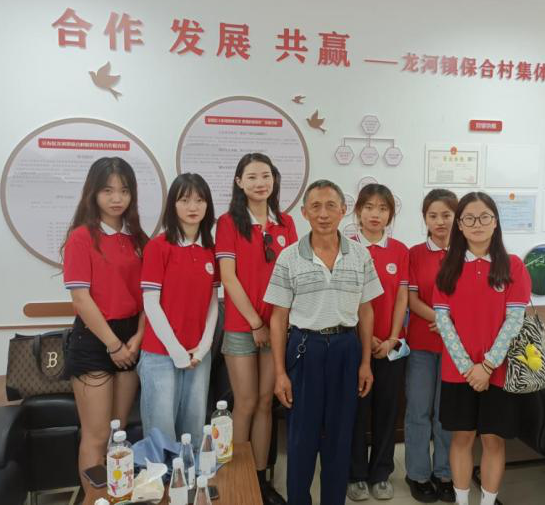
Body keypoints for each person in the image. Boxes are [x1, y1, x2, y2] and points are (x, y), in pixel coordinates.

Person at [265, 179, 383, 505]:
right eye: (315, 206)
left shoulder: (360, 255)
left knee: (340, 436)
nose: (323, 214)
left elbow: (366, 310)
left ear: (343, 210)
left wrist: (365, 363)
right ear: (304, 213)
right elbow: (278, 318)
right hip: (305, 349)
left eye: (331, 206)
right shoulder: (289, 257)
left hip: (347, 349)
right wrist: (280, 373)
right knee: (301, 437)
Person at [432, 192, 531, 505]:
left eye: (484, 217)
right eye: (469, 218)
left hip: (498, 372)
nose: (477, 224)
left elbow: (514, 321)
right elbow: (443, 322)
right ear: (460, 225)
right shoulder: (448, 267)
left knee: (493, 440)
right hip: (457, 372)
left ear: (495, 222)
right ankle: (462, 501)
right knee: (461, 437)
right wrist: (468, 368)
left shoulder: (514, 266)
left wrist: (487, 366)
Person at [62, 157, 148, 492]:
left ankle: (116, 495)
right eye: (108, 191)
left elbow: (148, 296)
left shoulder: (138, 239)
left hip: (131, 339)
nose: (117, 198)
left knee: (118, 431)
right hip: (95, 339)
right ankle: (94, 499)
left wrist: (138, 337)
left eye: (124, 191)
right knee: (96, 435)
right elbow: (81, 299)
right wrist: (113, 344)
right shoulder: (82, 237)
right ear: (93, 193)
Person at [215, 153, 297, 505]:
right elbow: (229, 278)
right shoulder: (228, 223)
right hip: (241, 326)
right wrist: (256, 323)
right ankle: (237, 479)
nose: (260, 183)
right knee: (246, 402)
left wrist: (276, 323)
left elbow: (292, 276)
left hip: (277, 326)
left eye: (266, 176)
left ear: (274, 180)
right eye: (252, 177)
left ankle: (262, 480)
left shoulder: (286, 223)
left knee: (266, 402)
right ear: (239, 182)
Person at [138, 173, 220, 449]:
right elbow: (151, 304)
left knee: (193, 433)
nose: (192, 207)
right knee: (161, 437)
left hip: (198, 356)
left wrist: (203, 348)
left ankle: (191, 477)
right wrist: (176, 351)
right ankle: (161, 479)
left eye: (199, 200)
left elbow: (212, 302)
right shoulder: (159, 247)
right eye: (184, 200)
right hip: (161, 354)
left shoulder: (210, 250)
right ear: (173, 205)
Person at [347, 184, 409, 501]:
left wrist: (393, 338)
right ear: (358, 211)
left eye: (383, 208)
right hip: (354, 344)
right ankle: (356, 474)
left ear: (390, 215)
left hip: (390, 346)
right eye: (369, 207)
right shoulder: (346, 246)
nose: (375, 214)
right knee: (356, 411)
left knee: (387, 410)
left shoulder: (400, 250)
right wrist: (365, 336)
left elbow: (401, 297)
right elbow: (344, 297)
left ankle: (381, 473)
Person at [404, 189, 458, 503]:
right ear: (424, 218)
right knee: (418, 410)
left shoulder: (467, 254)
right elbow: (411, 300)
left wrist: (452, 325)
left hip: (457, 348)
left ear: (456, 217)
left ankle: (445, 473)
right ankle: (418, 474)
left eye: (446, 215)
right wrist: (443, 320)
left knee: (446, 414)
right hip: (422, 344)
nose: (440, 222)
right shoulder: (414, 254)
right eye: (433, 215)